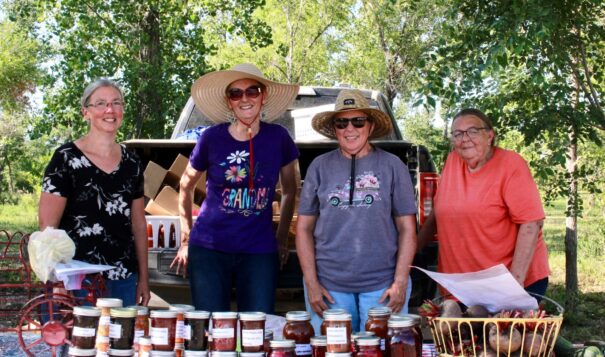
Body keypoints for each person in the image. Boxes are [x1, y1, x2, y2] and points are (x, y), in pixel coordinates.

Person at [170, 63, 300, 313]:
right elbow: (185, 187)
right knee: (211, 328)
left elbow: (291, 190)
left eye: (252, 91)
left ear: (263, 96)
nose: (245, 99)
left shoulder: (279, 137)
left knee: (257, 328)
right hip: (209, 249)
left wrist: (281, 238)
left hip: (259, 251)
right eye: (236, 93)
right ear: (229, 102)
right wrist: (186, 239)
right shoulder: (211, 138)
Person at [296, 89, 418, 332]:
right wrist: (311, 282)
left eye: (358, 121)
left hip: (382, 287)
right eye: (342, 122)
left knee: (381, 350)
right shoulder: (319, 167)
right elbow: (303, 228)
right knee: (333, 351)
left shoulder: (393, 166)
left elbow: (407, 229)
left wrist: (401, 281)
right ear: (335, 128)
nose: (350, 128)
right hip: (329, 287)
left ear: (370, 126)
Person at [38, 78, 150, 306]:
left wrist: (144, 279)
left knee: (122, 342)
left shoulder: (132, 162)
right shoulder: (66, 158)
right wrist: (58, 281)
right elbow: (47, 227)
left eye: (116, 103)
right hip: (76, 280)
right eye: (100, 103)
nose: (109, 110)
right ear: (86, 112)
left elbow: (138, 224)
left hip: (123, 277)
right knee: (77, 341)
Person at [418, 108, 550, 298]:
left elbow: (531, 223)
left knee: (503, 329)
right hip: (461, 285)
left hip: (508, 282)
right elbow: (437, 215)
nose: (465, 139)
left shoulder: (511, 165)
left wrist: (515, 285)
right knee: (459, 328)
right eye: (457, 134)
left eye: (472, 131)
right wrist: (411, 250)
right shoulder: (453, 161)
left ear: (489, 135)